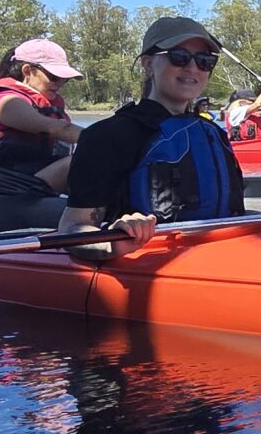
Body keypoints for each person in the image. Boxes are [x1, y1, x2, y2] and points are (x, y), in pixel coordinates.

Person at [59, 16, 247, 262]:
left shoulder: (215, 134)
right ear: (148, 64)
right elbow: (73, 227)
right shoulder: (108, 135)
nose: (193, 68)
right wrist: (113, 241)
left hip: (218, 258)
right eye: (179, 57)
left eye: (204, 61)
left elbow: (234, 218)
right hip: (146, 265)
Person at [0, 37, 86, 195]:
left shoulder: (49, 104)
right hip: (13, 188)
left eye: (64, 80)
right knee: (84, 159)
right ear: (27, 71)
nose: (59, 84)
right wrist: (106, 140)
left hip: (40, 186)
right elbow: (58, 129)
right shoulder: (7, 102)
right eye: (54, 77)